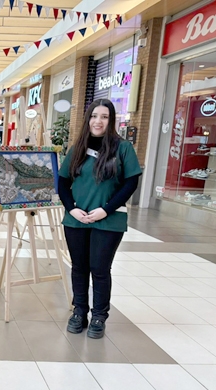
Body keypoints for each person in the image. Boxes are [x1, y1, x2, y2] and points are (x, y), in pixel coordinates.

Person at [58, 99, 141, 339]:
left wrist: (106, 209)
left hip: (109, 219)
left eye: (104, 117)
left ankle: (99, 316)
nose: (98, 121)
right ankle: (79, 311)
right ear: (88, 119)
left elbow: (130, 183)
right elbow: (63, 181)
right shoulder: (78, 147)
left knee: (100, 269)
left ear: (111, 120)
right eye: (95, 116)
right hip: (77, 219)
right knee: (79, 267)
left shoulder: (122, 148)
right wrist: (71, 209)